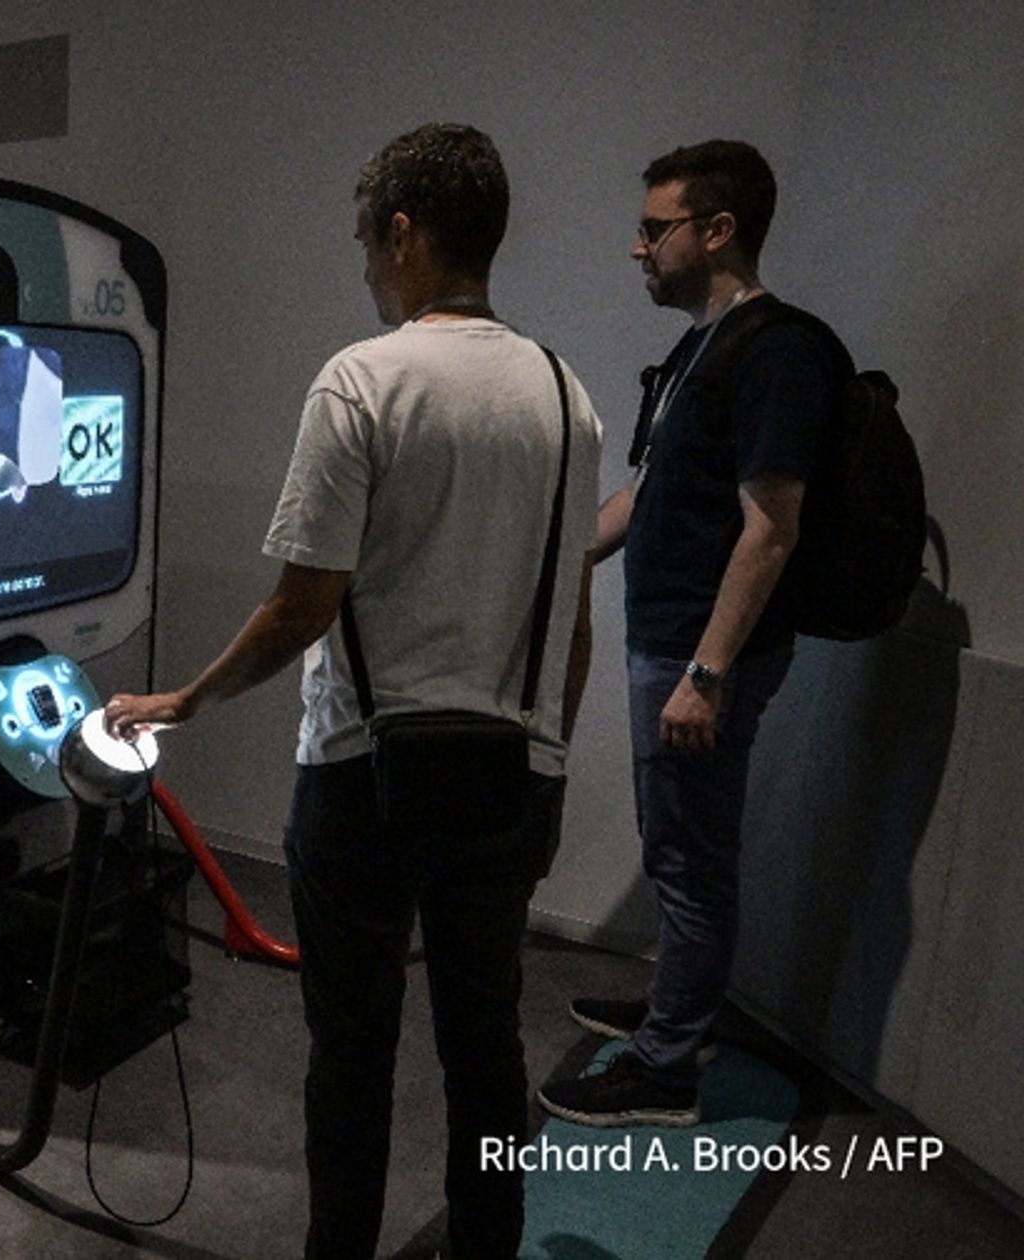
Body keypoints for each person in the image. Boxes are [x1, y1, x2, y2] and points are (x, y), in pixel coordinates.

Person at [106, 123, 602, 1260]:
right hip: (508, 780)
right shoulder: (563, 394)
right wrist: (547, 766)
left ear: (402, 231)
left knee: (352, 1054)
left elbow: (301, 608)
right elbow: (570, 623)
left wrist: (183, 700)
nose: (363, 269)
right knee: (485, 1048)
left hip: (360, 784)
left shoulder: (360, 381)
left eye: (363, 242)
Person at [538, 140, 850, 1126]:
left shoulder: (778, 350)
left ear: (715, 231)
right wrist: (555, 567)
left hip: (696, 656)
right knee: (677, 846)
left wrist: (706, 674)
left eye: (652, 228)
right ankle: (679, 1011)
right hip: (667, 642)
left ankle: (666, 1072)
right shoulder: (697, 348)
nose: (635, 249)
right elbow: (649, 492)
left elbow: (770, 525)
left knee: (688, 858)